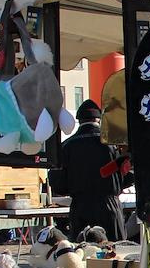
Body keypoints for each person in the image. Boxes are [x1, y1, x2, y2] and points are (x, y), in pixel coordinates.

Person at [48, 100, 129, 242]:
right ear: (99, 120)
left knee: (82, 253)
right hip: (108, 206)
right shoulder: (113, 144)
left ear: (79, 120)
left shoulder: (66, 146)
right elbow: (128, 173)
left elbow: (57, 182)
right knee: (115, 252)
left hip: (80, 206)